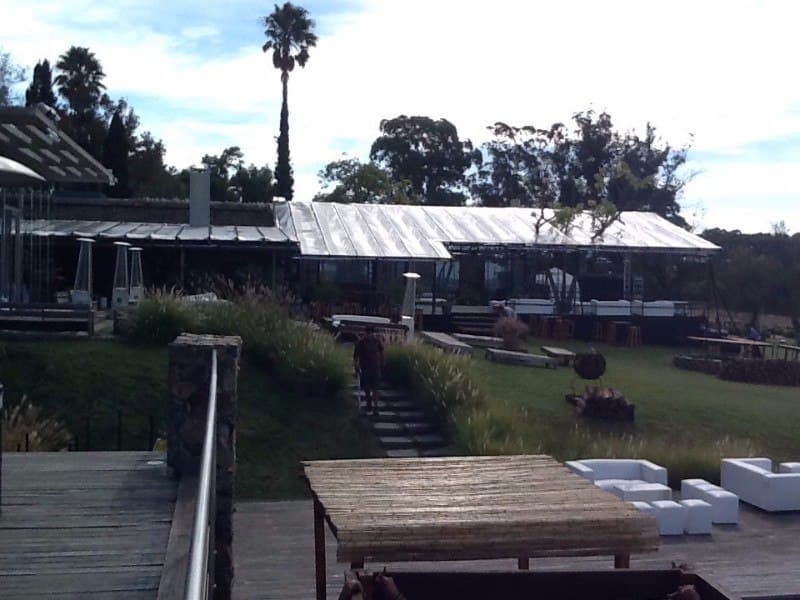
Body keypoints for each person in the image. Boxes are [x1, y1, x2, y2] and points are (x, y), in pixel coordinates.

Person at [354, 326, 384, 414]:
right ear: (365, 333)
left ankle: (376, 406)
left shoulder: (377, 341)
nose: (369, 335)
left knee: (375, 388)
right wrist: (356, 366)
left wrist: (382, 364)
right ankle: (368, 402)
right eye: (368, 333)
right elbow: (356, 356)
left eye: (371, 333)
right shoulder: (361, 343)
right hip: (365, 367)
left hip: (375, 367)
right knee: (366, 387)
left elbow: (382, 352)